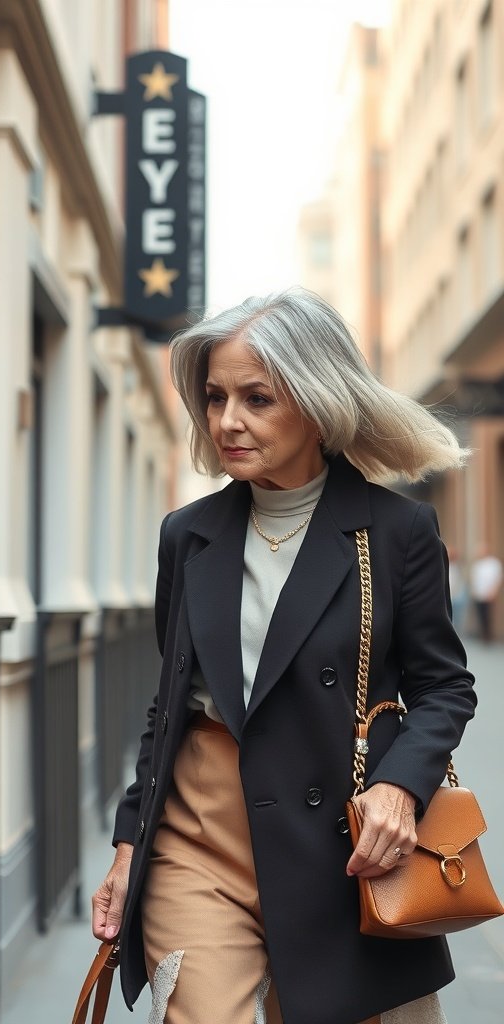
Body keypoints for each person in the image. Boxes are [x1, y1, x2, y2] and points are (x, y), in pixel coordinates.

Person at [92, 289, 476, 1024]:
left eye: (257, 398)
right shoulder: (187, 536)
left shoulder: (397, 533)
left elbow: (444, 687)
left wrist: (401, 787)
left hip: (345, 840)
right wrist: (128, 843)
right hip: (199, 835)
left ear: (318, 403)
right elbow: (169, 706)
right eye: (215, 397)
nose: (227, 421)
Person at [470, 545, 503, 643]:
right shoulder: (477, 564)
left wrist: (493, 591)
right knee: (480, 615)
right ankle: (483, 635)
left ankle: (488, 636)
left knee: (488, 615)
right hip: (478, 594)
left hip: (489, 594)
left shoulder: (494, 563)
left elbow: (498, 578)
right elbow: (474, 579)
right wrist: (474, 591)